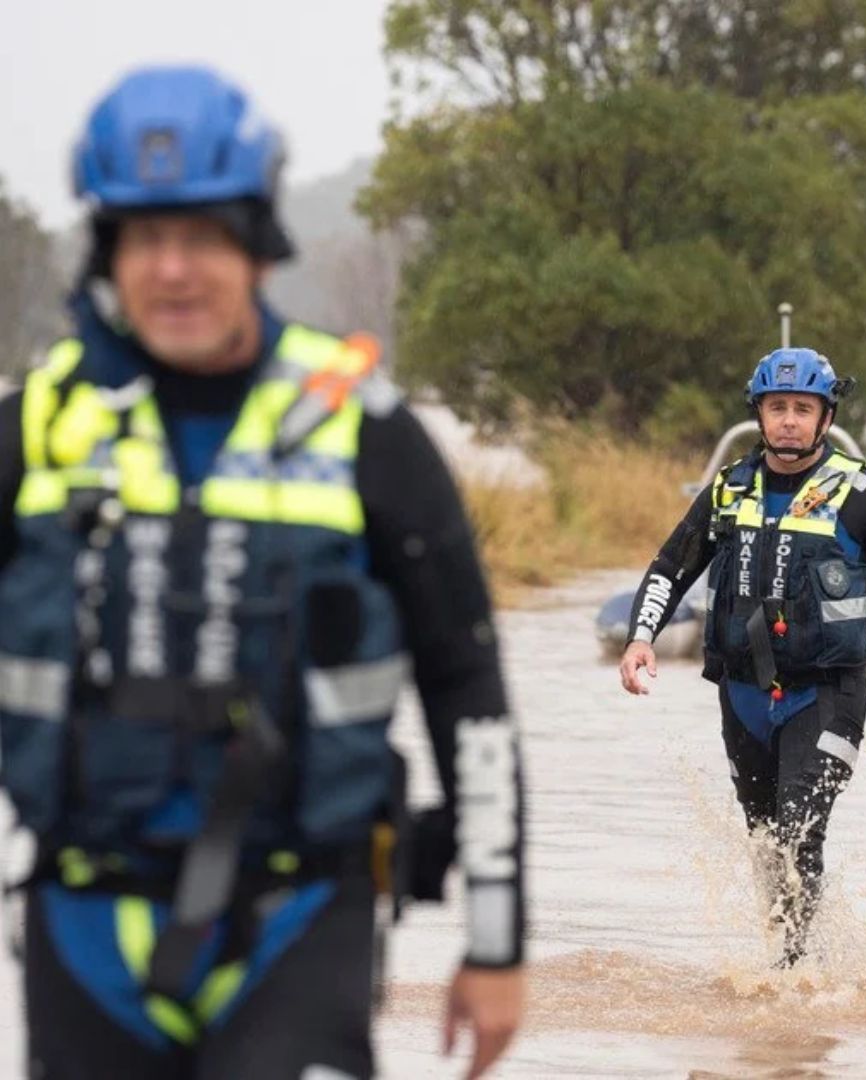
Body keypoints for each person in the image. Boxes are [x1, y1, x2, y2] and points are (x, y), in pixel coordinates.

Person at [0, 66, 525, 1079]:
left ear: (256, 244)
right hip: (83, 926)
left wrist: (495, 939)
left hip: (300, 922)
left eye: (203, 236)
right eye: (146, 238)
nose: (175, 271)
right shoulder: (34, 431)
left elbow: (469, 688)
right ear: (108, 250)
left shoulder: (365, 433)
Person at [618, 347, 866, 964]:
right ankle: (790, 960)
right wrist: (641, 637)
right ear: (759, 414)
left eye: (802, 408)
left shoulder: (861, 494)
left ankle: (796, 974)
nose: (788, 420)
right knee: (765, 841)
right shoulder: (727, 489)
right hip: (742, 695)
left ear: (825, 417)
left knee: (799, 827)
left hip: (827, 695)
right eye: (776, 408)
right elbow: (670, 567)